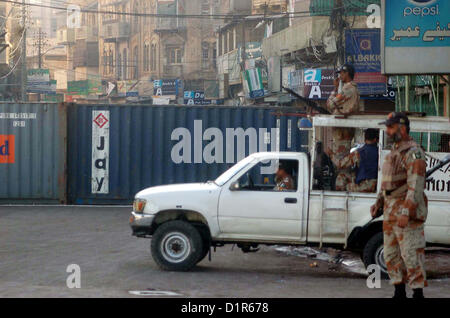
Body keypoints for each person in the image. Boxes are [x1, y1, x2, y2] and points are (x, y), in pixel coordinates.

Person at [370, 112, 428, 299]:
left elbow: (416, 186)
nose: (387, 131)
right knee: (391, 255)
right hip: (389, 210)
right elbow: (386, 183)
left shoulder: (413, 153)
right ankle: (399, 291)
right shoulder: (394, 152)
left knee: (411, 254)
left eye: (390, 127)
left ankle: (417, 293)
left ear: (402, 128)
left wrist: (406, 211)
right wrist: (378, 201)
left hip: (406, 213)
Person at [326, 64, 360, 191]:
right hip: (342, 132)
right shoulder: (348, 88)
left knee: (341, 168)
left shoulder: (348, 89)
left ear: (347, 73)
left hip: (342, 134)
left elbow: (330, 104)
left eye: (341, 73)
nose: (339, 76)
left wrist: (334, 89)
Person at [327, 128, 379, 193]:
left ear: (365, 139)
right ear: (375, 139)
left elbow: (341, 164)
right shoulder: (379, 152)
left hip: (365, 186)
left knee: (341, 178)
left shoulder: (360, 152)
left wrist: (331, 154)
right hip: (376, 185)